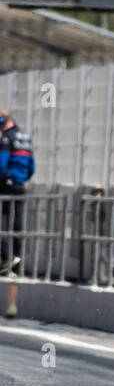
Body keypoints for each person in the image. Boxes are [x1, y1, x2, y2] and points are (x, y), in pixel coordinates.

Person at [0, 111, 35, 273]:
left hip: (6, 187)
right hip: (20, 186)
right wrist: (20, 179)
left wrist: (6, 178)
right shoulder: (25, 139)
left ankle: (6, 258)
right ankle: (17, 263)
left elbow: (1, 164)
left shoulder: (7, 139)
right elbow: (31, 168)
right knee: (17, 225)